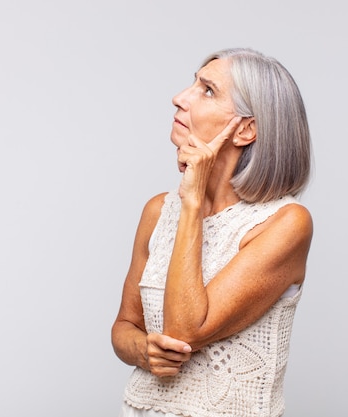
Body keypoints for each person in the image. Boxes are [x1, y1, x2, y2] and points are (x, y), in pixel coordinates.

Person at [111, 47, 313, 417]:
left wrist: (192, 200)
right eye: (193, 83)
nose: (180, 98)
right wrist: (144, 350)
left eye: (207, 91)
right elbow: (125, 326)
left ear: (246, 129)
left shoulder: (285, 223)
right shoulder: (158, 211)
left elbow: (186, 329)